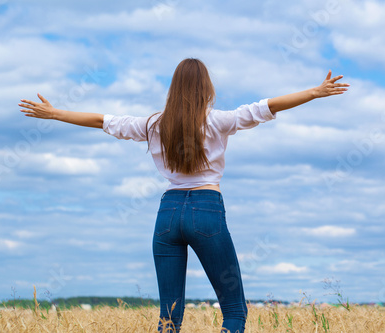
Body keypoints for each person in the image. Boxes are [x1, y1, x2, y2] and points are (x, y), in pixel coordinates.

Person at [19, 58, 349, 332]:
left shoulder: (152, 125)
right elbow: (268, 106)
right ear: (207, 89)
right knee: (234, 312)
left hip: (168, 215)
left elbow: (102, 120)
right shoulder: (219, 121)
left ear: (173, 89)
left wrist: (55, 113)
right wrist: (315, 92)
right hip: (206, 209)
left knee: (168, 317)